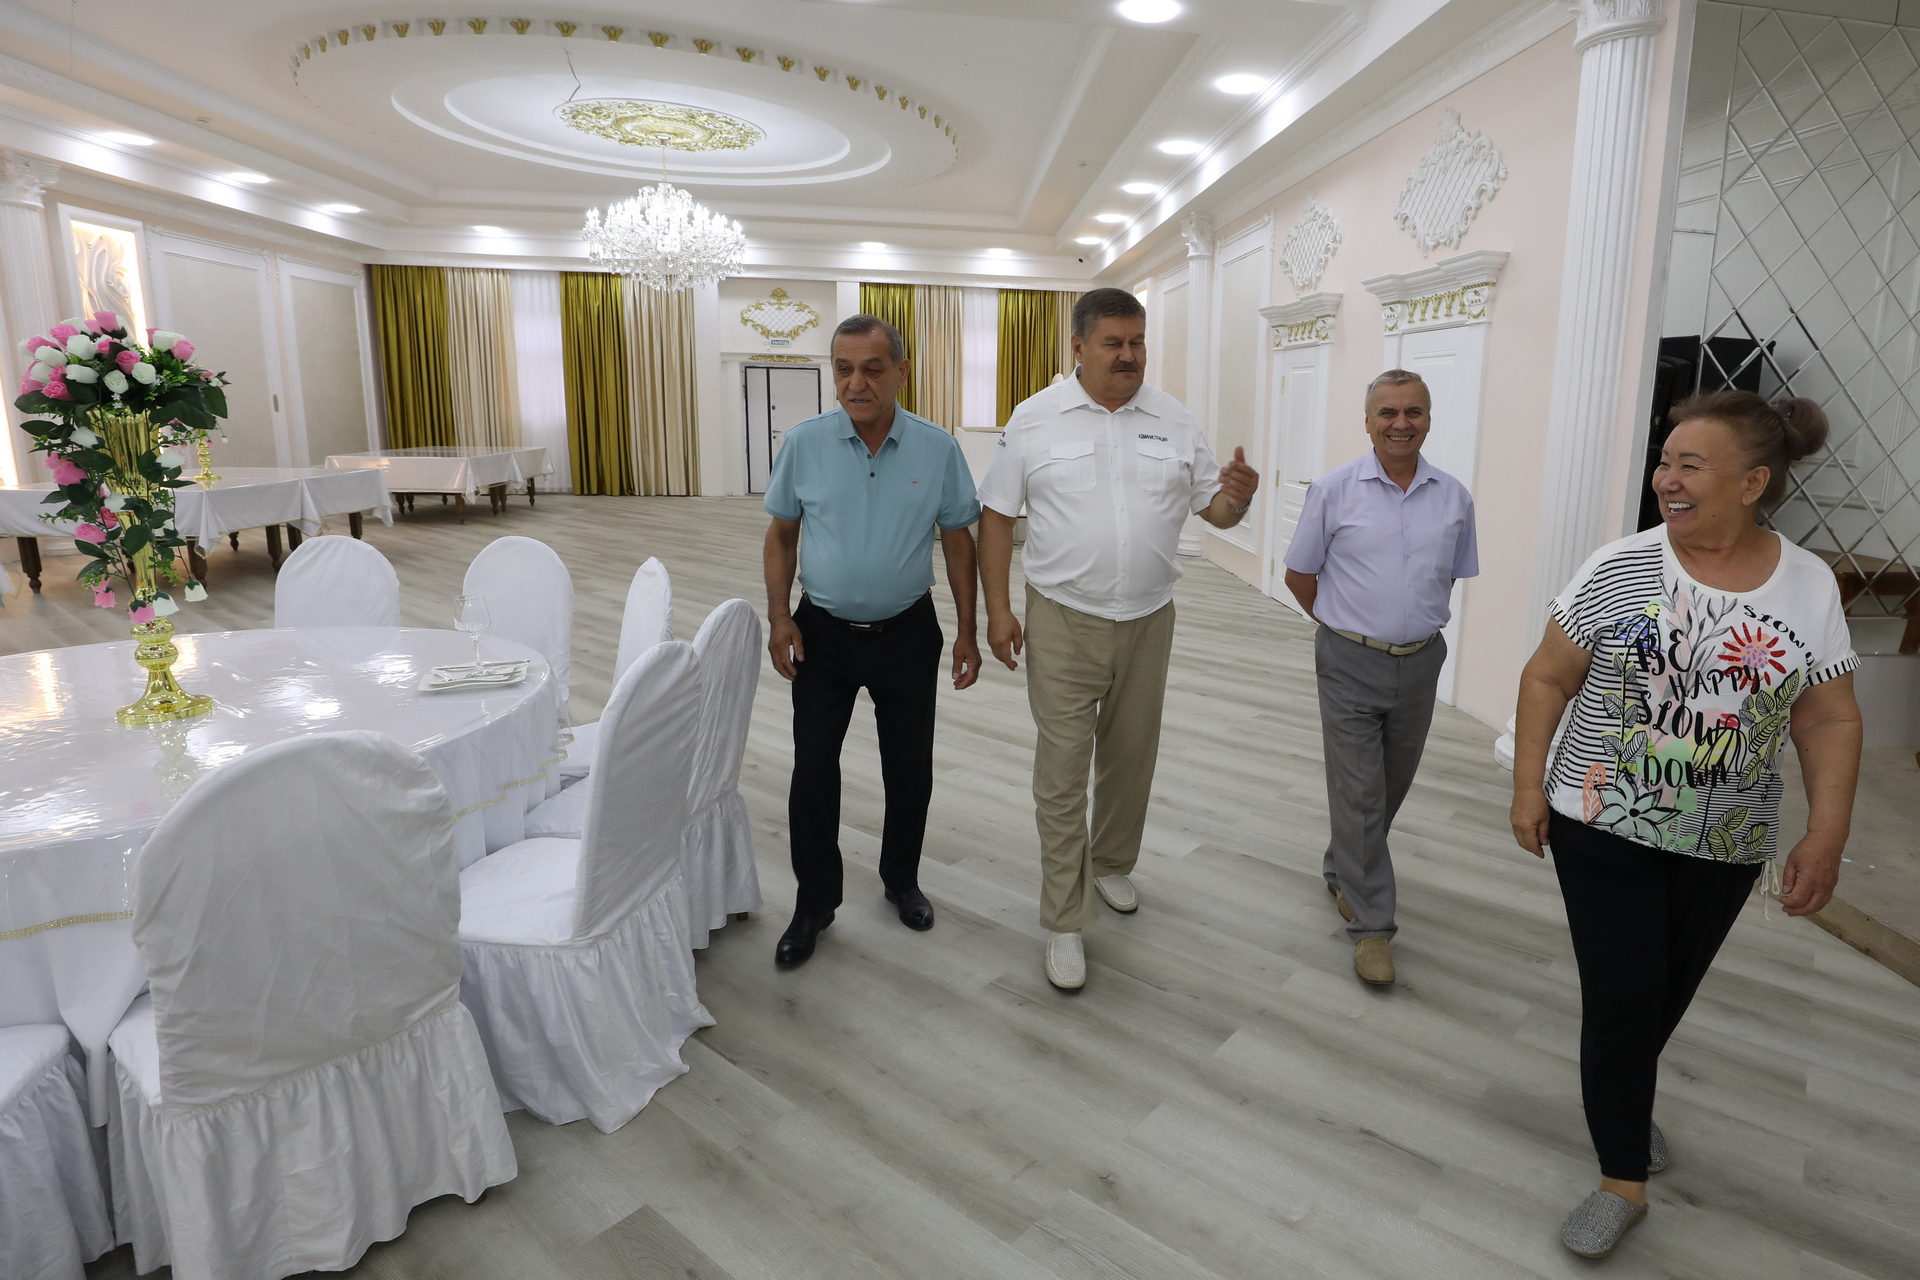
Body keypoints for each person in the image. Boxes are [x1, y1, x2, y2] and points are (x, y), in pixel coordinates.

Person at [1509, 391, 1860, 1259]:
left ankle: (1621, 1097)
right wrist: (1527, 787)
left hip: (1727, 836)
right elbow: (1547, 675)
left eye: (1688, 465)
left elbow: (1828, 716)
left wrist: (1827, 834)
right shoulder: (1620, 567)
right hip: (1603, 817)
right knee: (1625, 993)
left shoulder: (1807, 584)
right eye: (1665, 461)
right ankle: (1621, 1180)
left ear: (1753, 483)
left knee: (1664, 990)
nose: (1665, 478)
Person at [978, 286, 1258, 991]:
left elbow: (1215, 511)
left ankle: (1109, 864)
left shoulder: (1172, 418)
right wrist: (998, 610)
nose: (1129, 355)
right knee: (1062, 772)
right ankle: (1064, 919)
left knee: (1131, 759)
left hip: (1149, 619)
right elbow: (997, 516)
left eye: (1137, 343)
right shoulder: (1035, 418)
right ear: (1079, 346)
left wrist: (1239, 496)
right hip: (1062, 619)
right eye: (1113, 343)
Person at [763, 314, 983, 968]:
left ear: (901, 372)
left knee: (909, 768)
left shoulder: (937, 449)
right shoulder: (804, 444)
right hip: (821, 633)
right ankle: (814, 903)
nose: (856, 383)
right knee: (812, 770)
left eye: (872, 369)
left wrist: (968, 630)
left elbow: (959, 543)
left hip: (907, 632)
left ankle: (900, 879)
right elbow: (781, 534)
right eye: (843, 369)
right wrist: (778, 617)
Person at [1282, 369, 1477, 987]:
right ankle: (1372, 928)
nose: (1400, 423)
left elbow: (1448, 576)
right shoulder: (1334, 491)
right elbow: (1299, 576)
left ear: (1429, 419)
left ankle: (1343, 868)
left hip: (1421, 662)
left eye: (1412, 412)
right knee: (1361, 792)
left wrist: (1405, 629)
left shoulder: (1454, 497)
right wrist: (1348, 628)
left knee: (1389, 785)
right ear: (1367, 422)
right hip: (1349, 660)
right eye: (1387, 412)